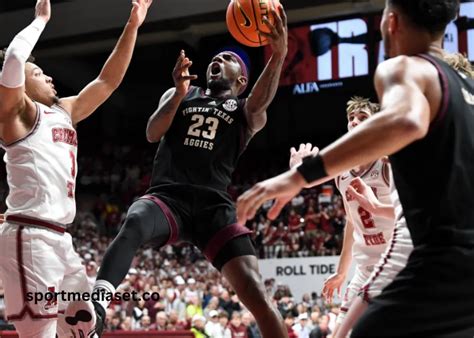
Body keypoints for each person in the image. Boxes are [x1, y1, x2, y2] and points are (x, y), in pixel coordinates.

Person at [237, 0, 474, 336]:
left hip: (437, 259)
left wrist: (299, 177)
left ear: (390, 22)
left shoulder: (405, 69)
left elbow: (405, 120)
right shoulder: (467, 87)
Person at [72, 4, 289, 338]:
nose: (218, 60)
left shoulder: (245, 109)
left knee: (257, 293)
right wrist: (178, 95)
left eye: (228, 59)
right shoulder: (181, 94)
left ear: (241, 80)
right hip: (168, 198)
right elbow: (152, 133)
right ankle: (98, 306)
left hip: (213, 208)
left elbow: (260, 104)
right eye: (216, 58)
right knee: (134, 218)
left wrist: (278, 55)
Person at [0, 0, 153, 336]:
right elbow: (13, 60)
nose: (49, 76)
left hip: (60, 240)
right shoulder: (16, 117)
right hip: (31, 239)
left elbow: (106, 82)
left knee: (85, 330)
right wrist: (40, 20)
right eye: (37, 73)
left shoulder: (65, 110)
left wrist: (133, 25)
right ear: (18, 87)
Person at [289, 97, 398, 338]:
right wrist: (341, 272)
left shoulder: (387, 165)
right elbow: (352, 221)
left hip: (398, 263)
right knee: (339, 332)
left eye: (363, 118)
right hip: (366, 266)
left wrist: (378, 207)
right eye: (351, 118)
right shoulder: (342, 173)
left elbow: (414, 212)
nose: (355, 122)